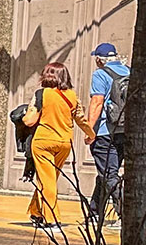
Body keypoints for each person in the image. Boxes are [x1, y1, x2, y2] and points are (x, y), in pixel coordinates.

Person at [20, 61, 96, 229]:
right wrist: (91, 135)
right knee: (49, 179)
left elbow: (30, 121)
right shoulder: (72, 96)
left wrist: (24, 114)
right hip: (64, 143)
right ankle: (36, 212)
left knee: (47, 181)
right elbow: (81, 120)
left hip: (43, 142)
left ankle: (52, 219)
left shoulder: (42, 94)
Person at [88, 42, 129, 219]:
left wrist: (89, 129)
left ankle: (125, 213)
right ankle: (95, 211)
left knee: (108, 174)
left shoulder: (100, 74)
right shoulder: (129, 71)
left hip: (105, 131)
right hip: (125, 131)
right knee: (105, 172)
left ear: (99, 60)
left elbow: (97, 102)